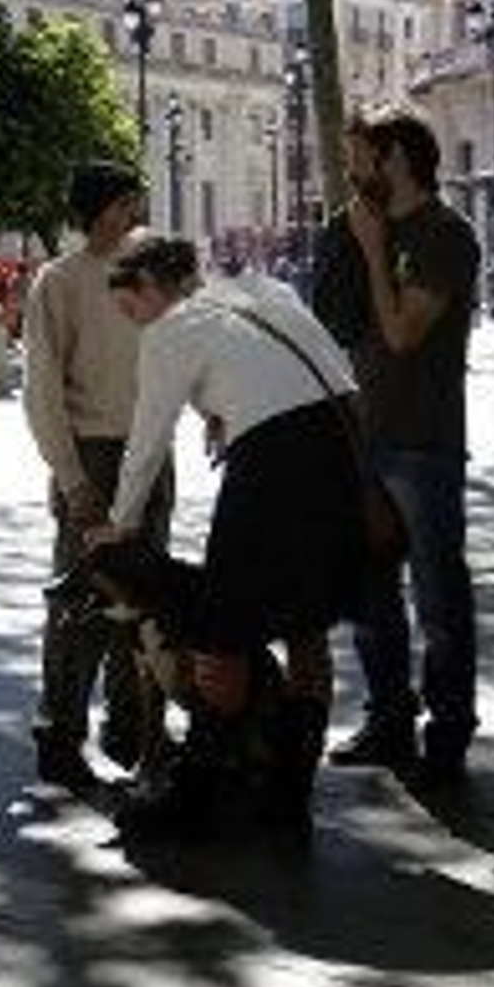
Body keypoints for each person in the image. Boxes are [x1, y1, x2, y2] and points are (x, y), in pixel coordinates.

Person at [91, 236, 365, 838]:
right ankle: (290, 795)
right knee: (306, 627)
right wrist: (226, 411)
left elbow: (148, 436)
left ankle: (198, 790)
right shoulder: (264, 289)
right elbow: (286, 372)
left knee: (221, 633)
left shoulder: (171, 327)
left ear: (149, 290)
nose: (135, 325)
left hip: (275, 461)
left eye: (130, 310)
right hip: (348, 448)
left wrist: (122, 522)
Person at [313, 112, 479, 788]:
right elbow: (337, 325)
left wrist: (376, 249)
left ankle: (448, 729)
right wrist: (350, 246)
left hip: (425, 442)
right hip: (363, 434)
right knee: (370, 595)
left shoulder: (446, 236)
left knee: (439, 599)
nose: (352, 173)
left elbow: (404, 333)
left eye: (361, 158)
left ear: (399, 159)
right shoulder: (354, 229)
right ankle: (388, 719)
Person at [22, 158, 170, 792]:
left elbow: (179, 348)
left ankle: (131, 725)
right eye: (122, 201)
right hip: (93, 455)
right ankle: (59, 733)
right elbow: (41, 389)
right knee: (81, 602)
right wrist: (71, 477)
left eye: (133, 201)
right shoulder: (58, 282)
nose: (132, 211)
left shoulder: (151, 271)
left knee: (146, 598)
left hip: (150, 452)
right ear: (96, 208)